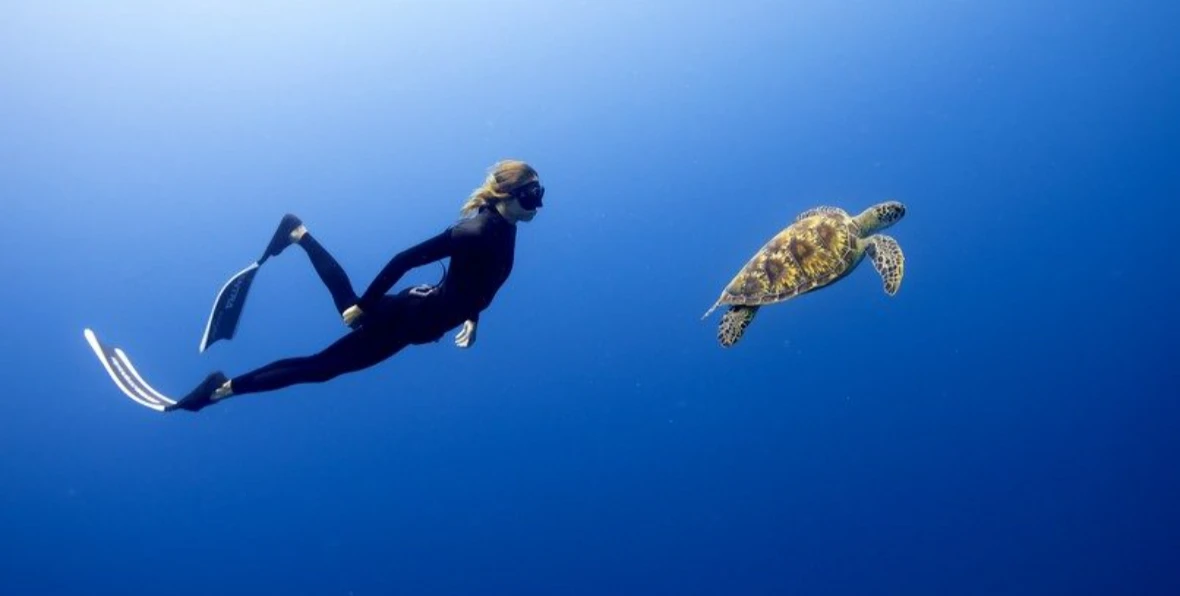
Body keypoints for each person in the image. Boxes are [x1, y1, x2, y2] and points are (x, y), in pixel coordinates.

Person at [166, 159, 545, 412]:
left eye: (539, 194)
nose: (537, 204)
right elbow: (404, 260)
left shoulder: (506, 229)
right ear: (507, 196)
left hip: (416, 326)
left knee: (329, 358)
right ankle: (220, 388)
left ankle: (298, 233)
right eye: (531, 195)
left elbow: (481, 281)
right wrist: (367, 306)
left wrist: (472, 318)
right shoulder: (474, 231)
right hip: (407, 317)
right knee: (322, 365)